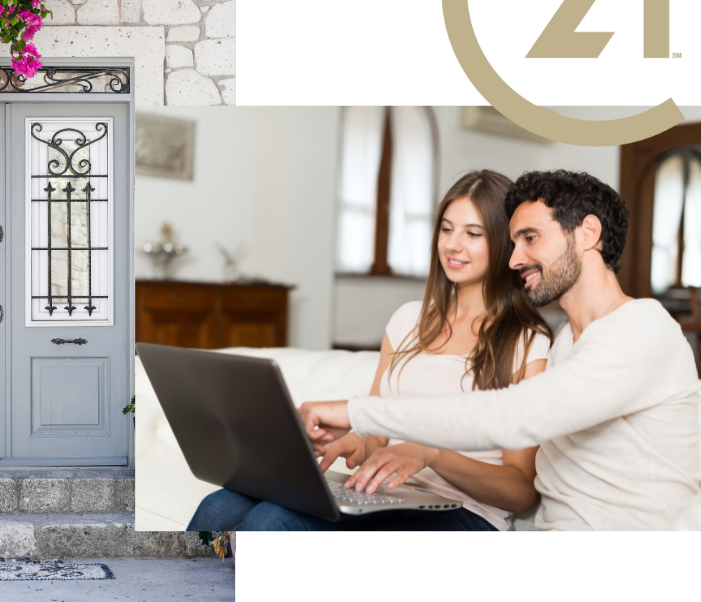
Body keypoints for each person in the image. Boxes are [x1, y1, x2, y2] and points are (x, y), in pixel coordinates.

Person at [299, 170, 701, 532]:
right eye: (512, 242)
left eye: (530, 238)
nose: (513, 259)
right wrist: (366, 439)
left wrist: (356, 413)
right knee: (267, 515)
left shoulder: (642, 329)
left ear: (587, 233)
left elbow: (515, 414)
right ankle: (229, 572)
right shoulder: (566, 343)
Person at [187, 170, 554, 532]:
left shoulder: (526, 342)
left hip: (466, 513)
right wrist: (346, 442)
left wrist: (432, 453)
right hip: (390, 495)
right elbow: (378, 434)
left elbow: (521, 489)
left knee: (272, 522)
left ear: (506, 243)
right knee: (219, 506)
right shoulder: (407, 320)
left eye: (473, 233)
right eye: (446, 228)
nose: (453, 245)